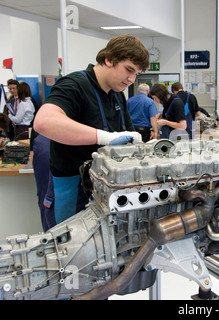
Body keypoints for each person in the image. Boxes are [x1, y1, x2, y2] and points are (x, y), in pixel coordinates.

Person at [33, 34, 148, 226]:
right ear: (109, 59)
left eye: (136, 73)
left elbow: (127, 138)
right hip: (72, 189)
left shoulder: (117, 95)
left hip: (105, 188)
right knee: (70, 250)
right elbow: (43, 122)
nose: (131, 79)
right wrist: (105, 137)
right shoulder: (74, 85)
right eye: (128, 70)